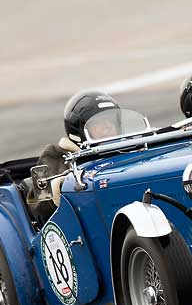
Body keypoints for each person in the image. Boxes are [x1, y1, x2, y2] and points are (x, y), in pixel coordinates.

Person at [27, 90, 122, 223]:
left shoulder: (126, 150)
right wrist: (61, 186)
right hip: (79, 225)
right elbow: (38, 208)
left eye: (111, 121)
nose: (108, 126)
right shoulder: (54, 154)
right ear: (79, 129)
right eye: (99, 122)